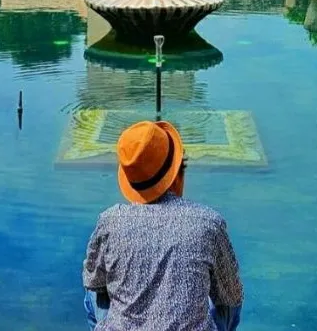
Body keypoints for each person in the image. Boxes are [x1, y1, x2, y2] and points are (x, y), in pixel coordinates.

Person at [83, 119, 243, 331]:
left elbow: (93, 280)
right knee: (224, 299)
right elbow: (232, 297)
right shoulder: (209, 223)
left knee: (95, 291)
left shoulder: (110, 221)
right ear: (177, 172)